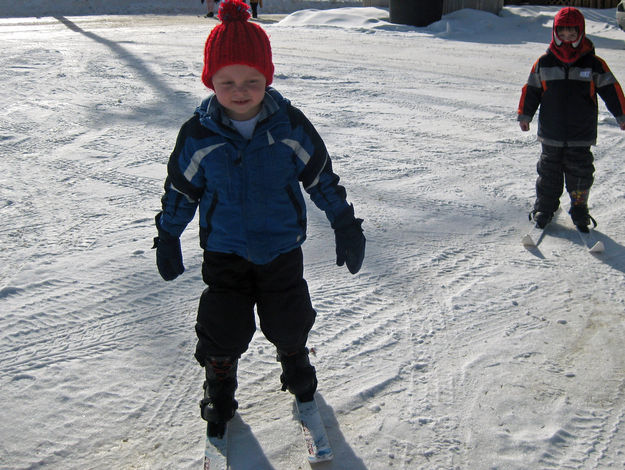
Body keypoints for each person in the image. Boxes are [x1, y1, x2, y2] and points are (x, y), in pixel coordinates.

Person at [153, 0, 365, 436]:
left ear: (266, 78)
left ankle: (296, 365)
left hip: (282, 248)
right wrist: (168, 234)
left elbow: (321, 178)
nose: (240, 90)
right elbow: (180, 189)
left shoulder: (289, 126)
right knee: (222, 325)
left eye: (252, 80)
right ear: (210, 80)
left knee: (288, 317)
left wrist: (345, 222)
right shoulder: (198, 136)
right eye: (226, 81)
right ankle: (220, 383)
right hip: (225, 250)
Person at [517, 7, 625, 232]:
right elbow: (532, 89)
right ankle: (544, 208)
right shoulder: (544, 63)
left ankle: (579, 209)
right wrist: (525, 115)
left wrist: (622, 116)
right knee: (548, 173)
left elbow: (612, 90)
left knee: (580, 173)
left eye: (572, 35)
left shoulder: (594, 64)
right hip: (551, 133)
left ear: (581, 33)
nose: (567, 40)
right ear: (555, 34)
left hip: (580, 133)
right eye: (562, 35)